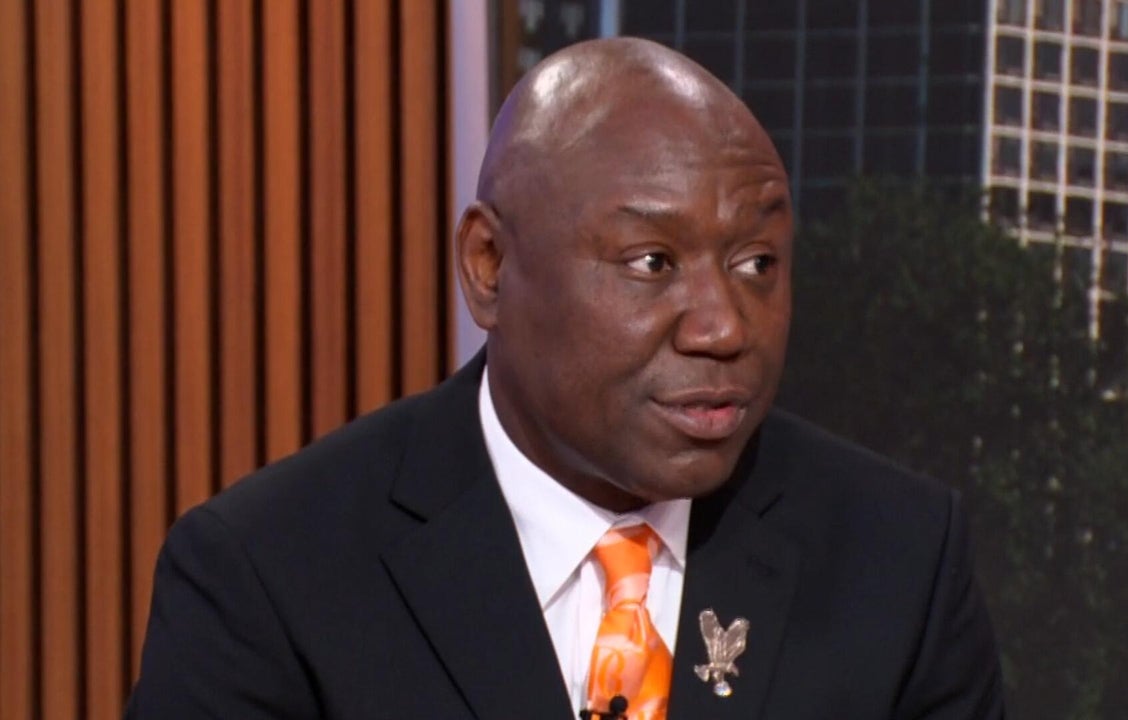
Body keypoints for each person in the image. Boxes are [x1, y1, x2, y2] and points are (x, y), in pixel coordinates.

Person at [125, 37, 1004, 719]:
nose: (724, 327)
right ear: (489, 266)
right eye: (653, 262)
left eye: (756, 264)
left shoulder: (898, 561)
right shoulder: (269, 577)